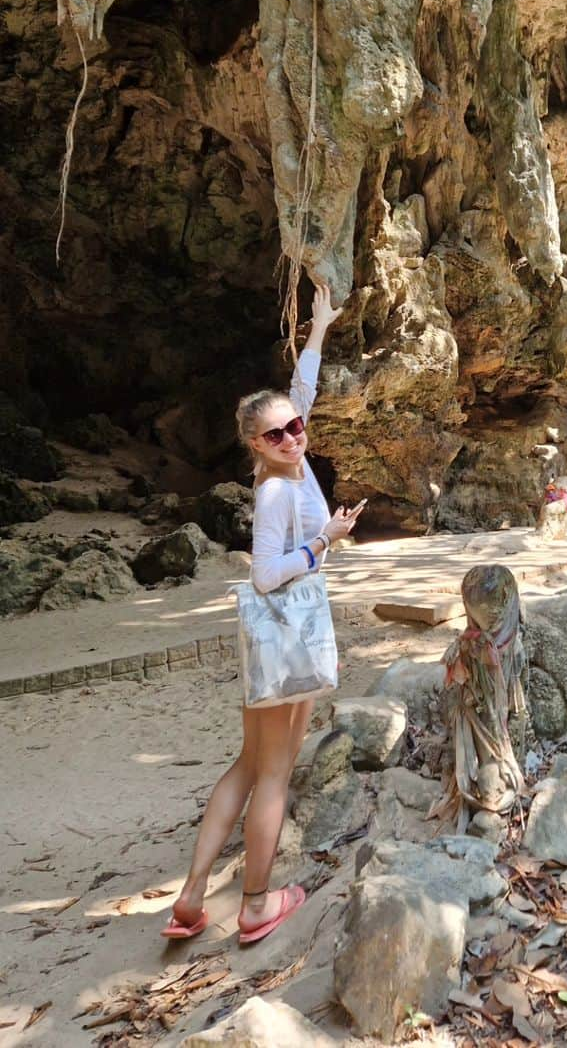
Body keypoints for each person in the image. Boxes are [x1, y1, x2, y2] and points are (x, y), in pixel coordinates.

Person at [161, 283, 365, 945]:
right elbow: (266, 571)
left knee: (248, 764)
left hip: (271, 636)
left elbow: (300, 390)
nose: (293, 434)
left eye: (297, 424)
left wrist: (319, 328)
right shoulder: (278, 489)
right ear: (255, 442)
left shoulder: (295, 457)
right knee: (273, 769)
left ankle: (191, 898)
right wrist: (323, 541)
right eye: (277, 431)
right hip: (288, 628)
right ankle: (254, 902)